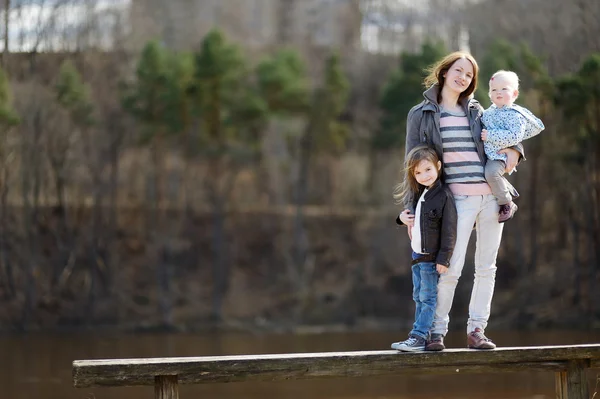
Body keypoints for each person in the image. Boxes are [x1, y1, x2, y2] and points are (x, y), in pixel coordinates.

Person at [399, 52, 524, 351]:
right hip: (456, 199)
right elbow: (412, 163)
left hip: (492, 197)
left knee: (486, 268)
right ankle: (436, 332)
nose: (463, 78)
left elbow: (511, 127)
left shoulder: (478, 110)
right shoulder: (421, 113)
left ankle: (477, 331)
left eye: (469, 75)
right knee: (450, 267)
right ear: (444, 72)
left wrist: (516, 152)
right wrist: (410, 208)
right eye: (459, 70)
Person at [391, 145, 457, 352]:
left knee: (427, 298)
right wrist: (400, 219)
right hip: (417, 257)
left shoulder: (443, 196)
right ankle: (422, 336)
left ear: (438, 166)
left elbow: (449, 230)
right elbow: (412, 218)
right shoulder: (421, 194)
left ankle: (418, 336)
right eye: (418, 172)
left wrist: (443, 259)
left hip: (431, 258)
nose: (424, 175)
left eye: (427, 169)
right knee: (418, 296)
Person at [482, 70, 545, 222]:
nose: (498, 92)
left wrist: (490, 136)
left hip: (500, 155)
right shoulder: (488, 112)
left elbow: (514, 137)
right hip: (487, 153)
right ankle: (505, 189)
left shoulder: (515, 115)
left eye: (504, 89)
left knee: (491, 173)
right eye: (494, 90)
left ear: (515, 94)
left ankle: (506, 202)